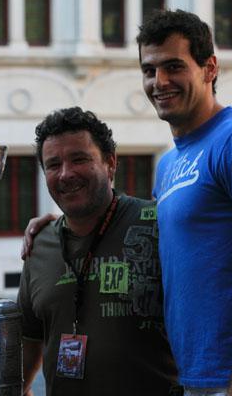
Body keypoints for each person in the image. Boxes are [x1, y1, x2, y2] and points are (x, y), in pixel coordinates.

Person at [136, 10, 232, 395]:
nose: (160, 81)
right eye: (149, 70)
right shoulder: (168, 164)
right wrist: (60, 228)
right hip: (195, 378)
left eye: (174, 66)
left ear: (209, 68)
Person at [18, 106, 178, 396]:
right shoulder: (39, 243)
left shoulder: (160, 224)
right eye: (53, 165)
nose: (66, 174)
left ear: (110, 163)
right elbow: (29, 340)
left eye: (79, 159)